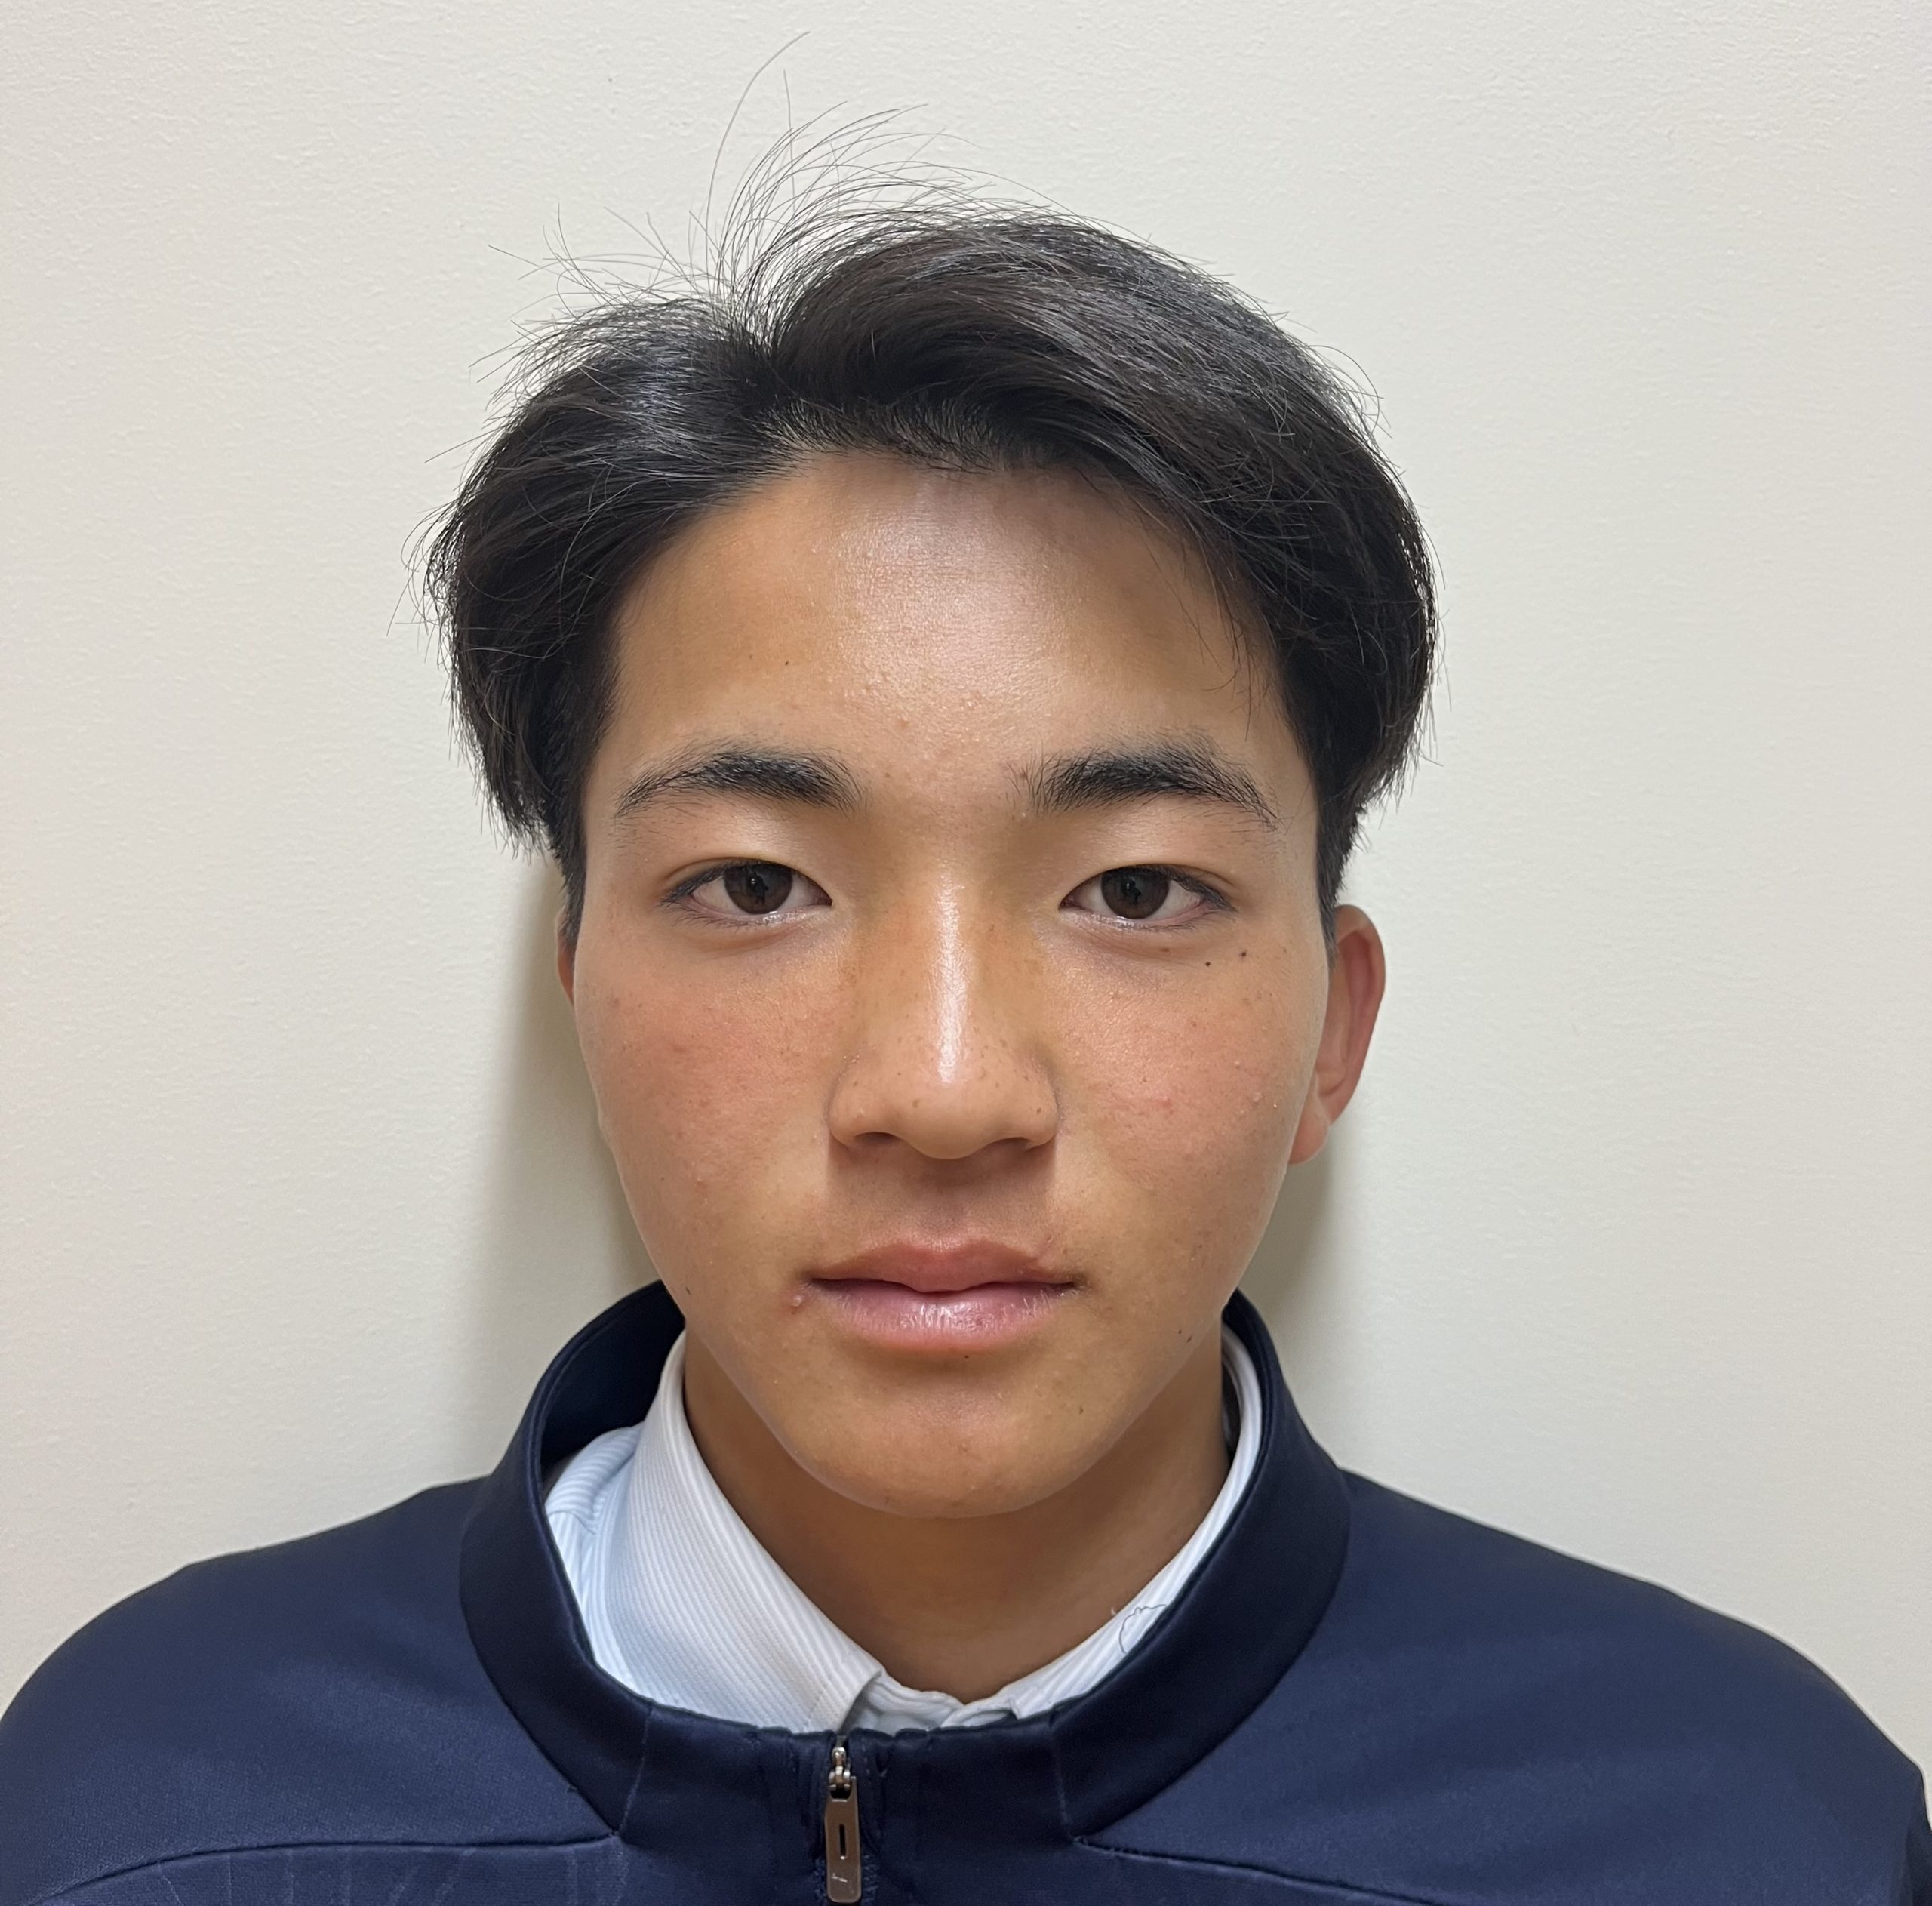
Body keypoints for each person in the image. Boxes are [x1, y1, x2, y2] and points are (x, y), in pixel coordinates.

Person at [2, 198, 1925, 1906]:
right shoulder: (139, 1809)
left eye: (1135, 890)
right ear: (576, 986)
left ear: (1331, 1029)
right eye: (755, 882)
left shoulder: (1743, 1836)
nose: (940, 1091)